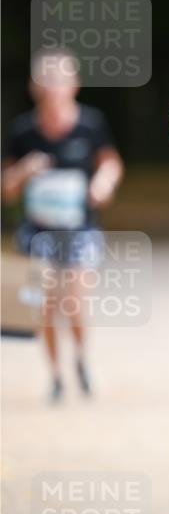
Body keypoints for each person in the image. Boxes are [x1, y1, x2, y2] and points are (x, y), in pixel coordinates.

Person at [2, 49, 123, 402]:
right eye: (47, 79)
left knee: (73, 301)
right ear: (34, 86)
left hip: (80, 230)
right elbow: (6, 189)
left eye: (61, 79)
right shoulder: (22, 131)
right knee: (45, 306)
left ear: (74, 84)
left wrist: (104, 183)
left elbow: (111, 163)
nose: (54, 87)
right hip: (37, 233)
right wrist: (24, 170)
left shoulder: (91, 123)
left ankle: (82, 359)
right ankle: (55, 375)